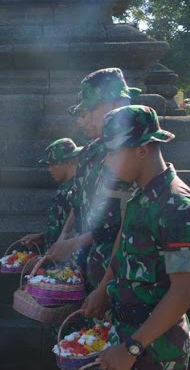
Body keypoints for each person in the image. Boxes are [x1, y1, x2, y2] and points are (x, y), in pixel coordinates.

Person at [86, 105, 190, 370]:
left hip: (156, 350)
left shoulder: (179, 206)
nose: (108, 162)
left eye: (112, 152)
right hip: (125, 332)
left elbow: (184, 292)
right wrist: (103, 287)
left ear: (142, 148)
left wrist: (133, 348)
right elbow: (122, 243)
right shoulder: (138, 195)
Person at [48, 68, 140, 292]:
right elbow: (77, 200)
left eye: (91, 109)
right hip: (86, 268)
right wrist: (64, 239)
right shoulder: (90, 151)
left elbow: (127, 223)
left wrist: (74, 244)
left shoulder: (134, 152)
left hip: (120, 275)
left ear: (115, 104)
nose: (84, 119)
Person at [20, 138, 80, 253]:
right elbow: (60, 227)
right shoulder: (64, 189)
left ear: (70, 162)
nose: (50, 169)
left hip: (66, 265)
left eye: (54, 164)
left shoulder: (77, 190)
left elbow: (75, 234)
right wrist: (43, 237)